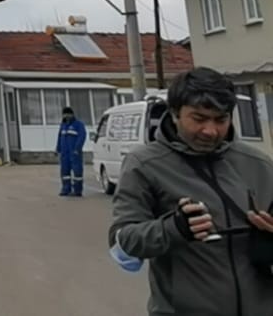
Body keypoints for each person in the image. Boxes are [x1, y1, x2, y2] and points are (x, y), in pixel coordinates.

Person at [109, 67, 273, 315]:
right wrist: (173, 228)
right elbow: (123, 245)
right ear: (174, 113)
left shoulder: (258, 164)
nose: (211, 131)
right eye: (199, 119)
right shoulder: (144, 164)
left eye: (221, 119)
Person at [57, 106, 87, 197]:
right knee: (65, 172)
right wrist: (58, 149)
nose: (66, 116)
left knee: (77, 172)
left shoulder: (78, 125)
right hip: (64, 153)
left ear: (72, 114)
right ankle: (66, 189)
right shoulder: (63, 125)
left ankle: (77, 190)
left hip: (74, 153)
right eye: (64, 114)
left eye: (67, 114)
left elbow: (82, 137)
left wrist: (77, 148)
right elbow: (59, 138)